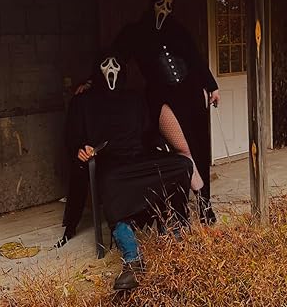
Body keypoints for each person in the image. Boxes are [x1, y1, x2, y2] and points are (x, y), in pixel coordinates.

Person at [77, 0, 220, 224]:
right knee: (183, 150)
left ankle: (205, 203)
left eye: (170, 6)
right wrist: (92, 81)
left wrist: (212, 86)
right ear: (151, 3)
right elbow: (113, 58)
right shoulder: (135, 32)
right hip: (161, 97)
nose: (165, 9)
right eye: (161, 3)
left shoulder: (179, 31)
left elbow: (195, 59)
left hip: (191, 94)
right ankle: (187, 206)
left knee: (200, 148)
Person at [66, 53, 193, 290]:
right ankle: (132, 258)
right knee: (110, 181)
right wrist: (81, 150)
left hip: (140, 157)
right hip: (112, 164)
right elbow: (73, 139)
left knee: (182, 165)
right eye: (105, 66)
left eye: (116, 65)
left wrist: (159, 145)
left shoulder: (134, 98)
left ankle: (174, 236)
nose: (111, 71)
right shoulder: (84, 102)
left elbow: (147, 133)